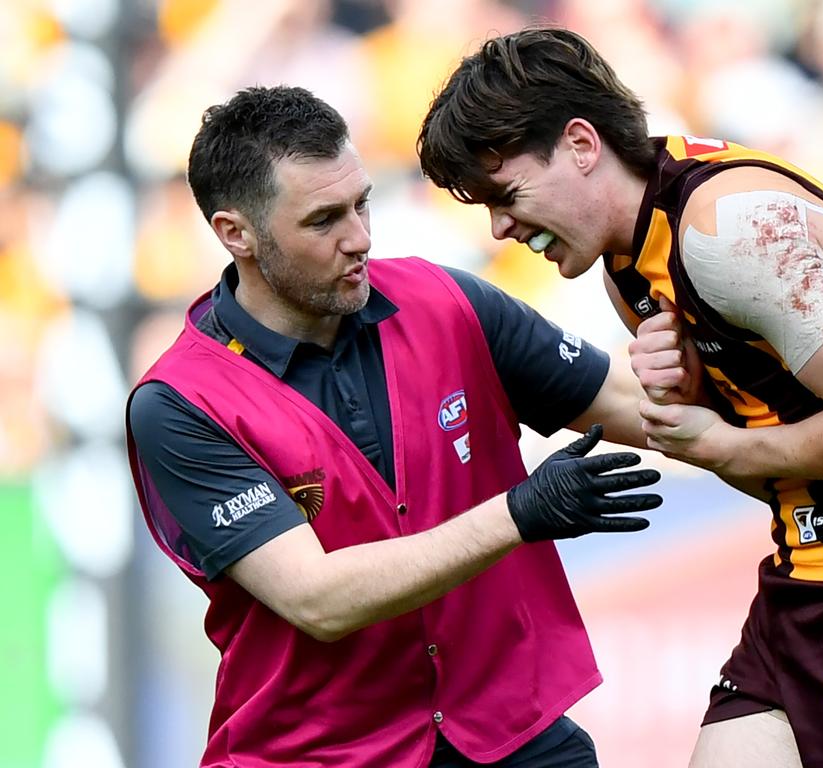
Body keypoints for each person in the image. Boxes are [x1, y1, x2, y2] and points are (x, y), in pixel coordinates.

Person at [417, 27, 823, 768]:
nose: (500, 227)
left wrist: (717, 441)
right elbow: (764, 468)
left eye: (505, 195)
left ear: (581, 144)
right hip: (804, 578)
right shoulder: (628, 268)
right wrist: (698, 414)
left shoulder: (729, 231)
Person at [125, 85, 665, 768]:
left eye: (362, 203)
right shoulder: (179, 403)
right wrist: (520, 512)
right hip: (317, 755)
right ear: (237, 233)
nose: (360, 237)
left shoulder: (448, 300)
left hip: (512, 733)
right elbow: (318, 599)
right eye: (324, 220)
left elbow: (650, 412)